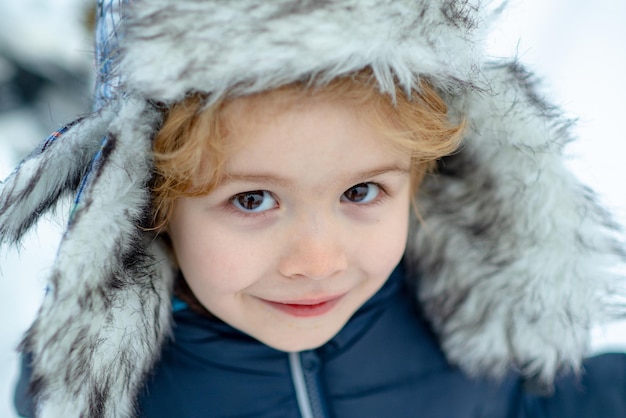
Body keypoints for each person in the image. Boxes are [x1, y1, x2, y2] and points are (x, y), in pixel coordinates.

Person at [2, 0, 625, 417]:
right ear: (150, 201)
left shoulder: (469, 316)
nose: (318, 261)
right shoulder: (105, 393)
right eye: (252, 199)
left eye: (360, 192)